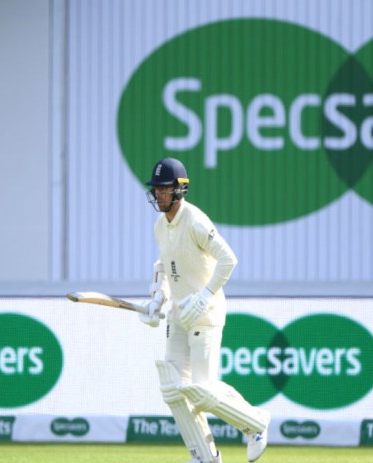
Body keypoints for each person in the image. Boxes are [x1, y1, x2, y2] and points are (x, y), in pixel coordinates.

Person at [137, 157, 270, 463]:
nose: (159, 195)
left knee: (202, 391)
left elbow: (229, 259)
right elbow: (165, 265)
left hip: (205, 314)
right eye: (156, 189)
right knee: (172, 388)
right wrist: (158, 296)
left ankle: (256, 424)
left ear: (180, 189)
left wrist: (206, 295)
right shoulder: (160, 226)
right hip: (178, 316)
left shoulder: (196, 221)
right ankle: (205, 457)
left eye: (165, 189)